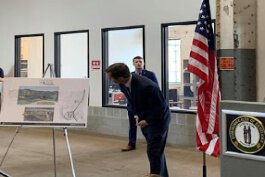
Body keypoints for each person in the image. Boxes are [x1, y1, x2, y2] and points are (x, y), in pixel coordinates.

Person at [106, 63, 170, 177]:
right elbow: (131, 100)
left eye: (111, 78)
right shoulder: (123, 84)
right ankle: (160, 174)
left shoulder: (147, 86)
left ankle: (154, 174)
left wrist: (148, 120)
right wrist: (136, 115)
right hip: (144, 118)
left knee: (153, 150)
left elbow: (160, 107)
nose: (109, 79)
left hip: (158, 120)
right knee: (156, 151)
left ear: (121, 77)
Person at [122, 56, 159, 152]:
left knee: (147, 125)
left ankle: (151, 144)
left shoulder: (150, 74)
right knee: (132, 125)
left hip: (146, 107)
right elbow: (126, 91)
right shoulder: (130, 76)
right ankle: (131, 143)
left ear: (143, 63)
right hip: (132, 106)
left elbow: (155, 89)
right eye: (136, 62)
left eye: (140, 61)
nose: (138, 63)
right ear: (133, 64)